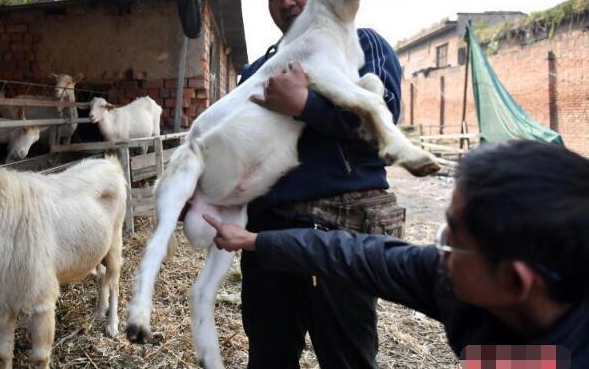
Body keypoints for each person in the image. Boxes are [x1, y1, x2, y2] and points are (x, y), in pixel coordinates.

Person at [205, 140, 589, 366]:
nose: (439, 248)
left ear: (514, 279)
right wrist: (256, 241)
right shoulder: (459, 281)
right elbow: (357, 254)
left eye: (452, 238)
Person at [237, 0, 404, 369]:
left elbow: (382, 128)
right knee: (269, 356)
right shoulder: (259, 69)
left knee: (347, 358)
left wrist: (304, 106)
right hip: (267, 241)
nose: (286, 1)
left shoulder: (364, 45)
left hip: (340, 237)